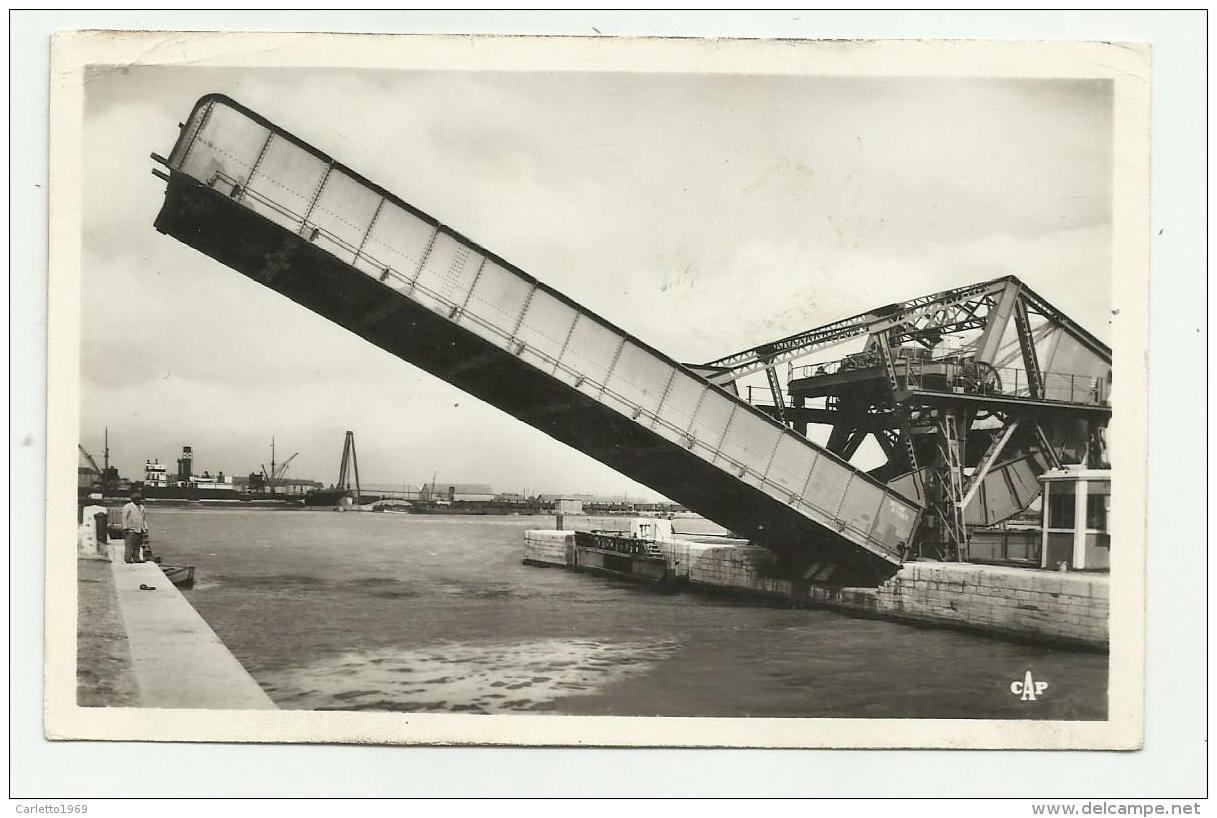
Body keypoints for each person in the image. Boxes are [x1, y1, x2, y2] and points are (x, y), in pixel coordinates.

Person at [121, 491, 148, 564]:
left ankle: (136, 558)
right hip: (130, 528)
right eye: (136, 499)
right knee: (129, 545)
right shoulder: (128, 506)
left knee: (137, 545)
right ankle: (128, 558)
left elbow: (143, 518)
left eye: (139, 499)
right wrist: (125, 528)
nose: (138, 500)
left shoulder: (142, 507)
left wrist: (145, 528)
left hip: (139, 528)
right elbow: (124, 517)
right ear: (133, 499)